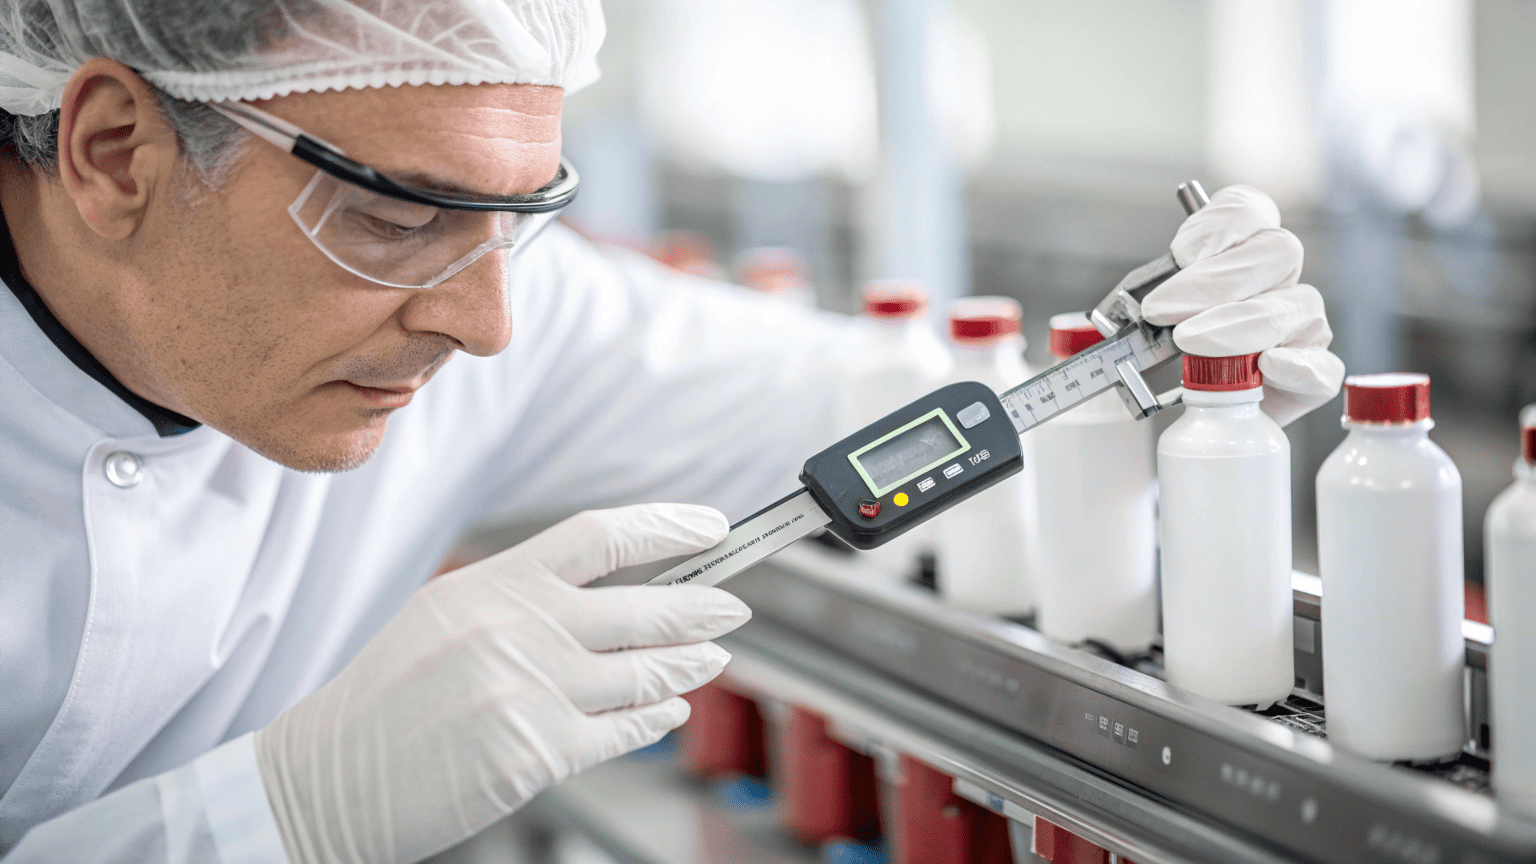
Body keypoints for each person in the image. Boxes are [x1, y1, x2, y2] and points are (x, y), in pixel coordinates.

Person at [0, 0, 1345, 861]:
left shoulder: (480, 321)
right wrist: (277, 818)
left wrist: (1142, 373)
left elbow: (861, 408)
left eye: (519, 218)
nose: (487, 328)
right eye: (400, 217)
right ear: (115, 150)